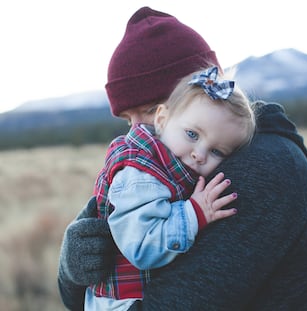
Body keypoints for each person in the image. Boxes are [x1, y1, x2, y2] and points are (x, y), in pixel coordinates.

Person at [58, 6, 307, 311]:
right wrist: (72, 270)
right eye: (127, 120)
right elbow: (79, 295)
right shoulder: (168, 164)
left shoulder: (261, 171)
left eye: (149, 111)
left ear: (199, 92)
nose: (136, 133)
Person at [86, 65, 255, 310]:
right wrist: (194, 213)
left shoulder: (172, 163)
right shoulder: (140, 175)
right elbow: (142, 247)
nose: (199, 154)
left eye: (217, 151)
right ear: (162, 119)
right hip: (123, 304)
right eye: (192, 134)